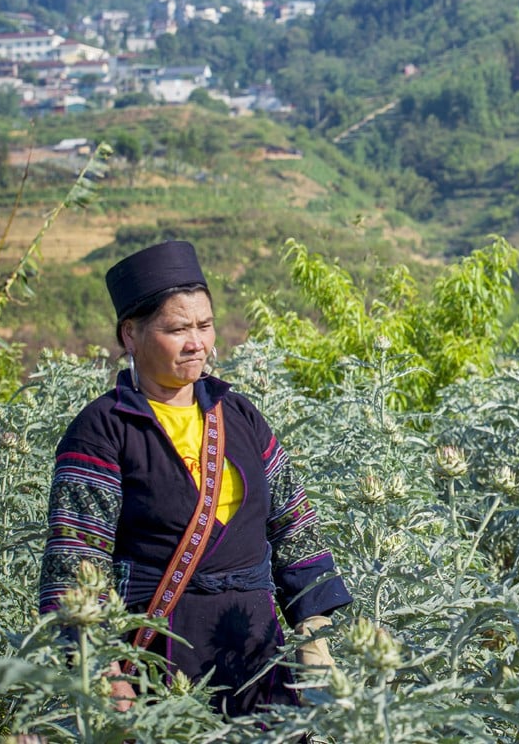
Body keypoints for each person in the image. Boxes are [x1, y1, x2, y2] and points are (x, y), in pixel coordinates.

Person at [39, 241, 352, 716]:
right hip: (156, 653)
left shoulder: (240, 415)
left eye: (204, 325)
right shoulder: (103, 429)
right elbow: (75, 558)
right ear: (131, 334)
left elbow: (294, 525)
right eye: (177, 328)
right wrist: (101, 667)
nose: (197, 343)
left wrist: (312, 631)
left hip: (254, 646)